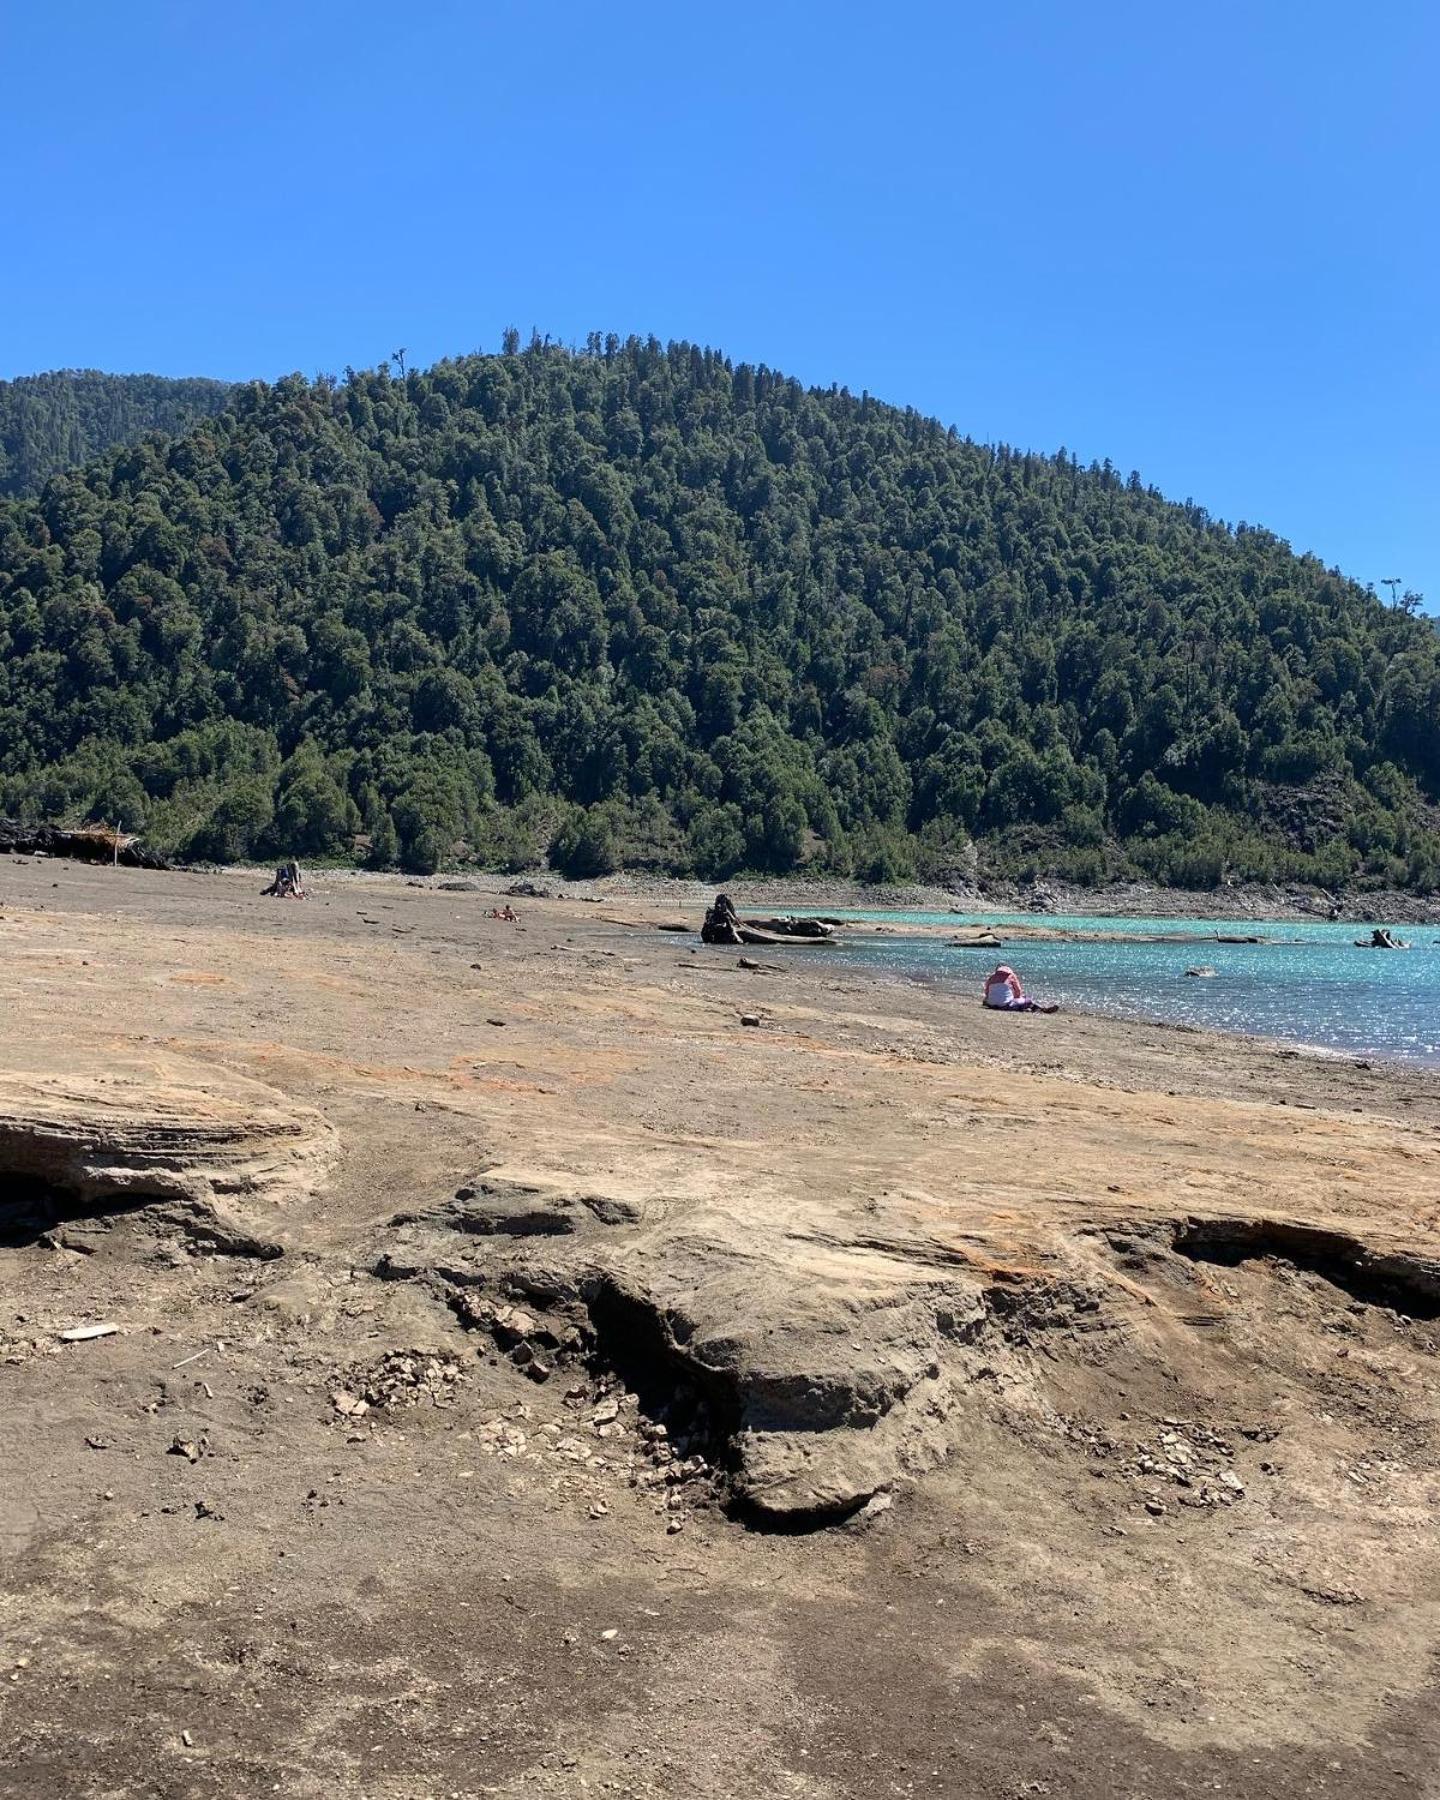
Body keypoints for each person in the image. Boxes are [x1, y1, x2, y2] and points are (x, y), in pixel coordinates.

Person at [983, 964, 1057, 1013]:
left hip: (991, 1004)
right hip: (1005, 1005)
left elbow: (987, 992)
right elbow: (1018, 991)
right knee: (1028, 1000)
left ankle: (1031, 1008)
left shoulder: (992, 977)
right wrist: (1016, 998)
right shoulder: (1011, 975)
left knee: (1013, 1001)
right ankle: (1042, 1009)